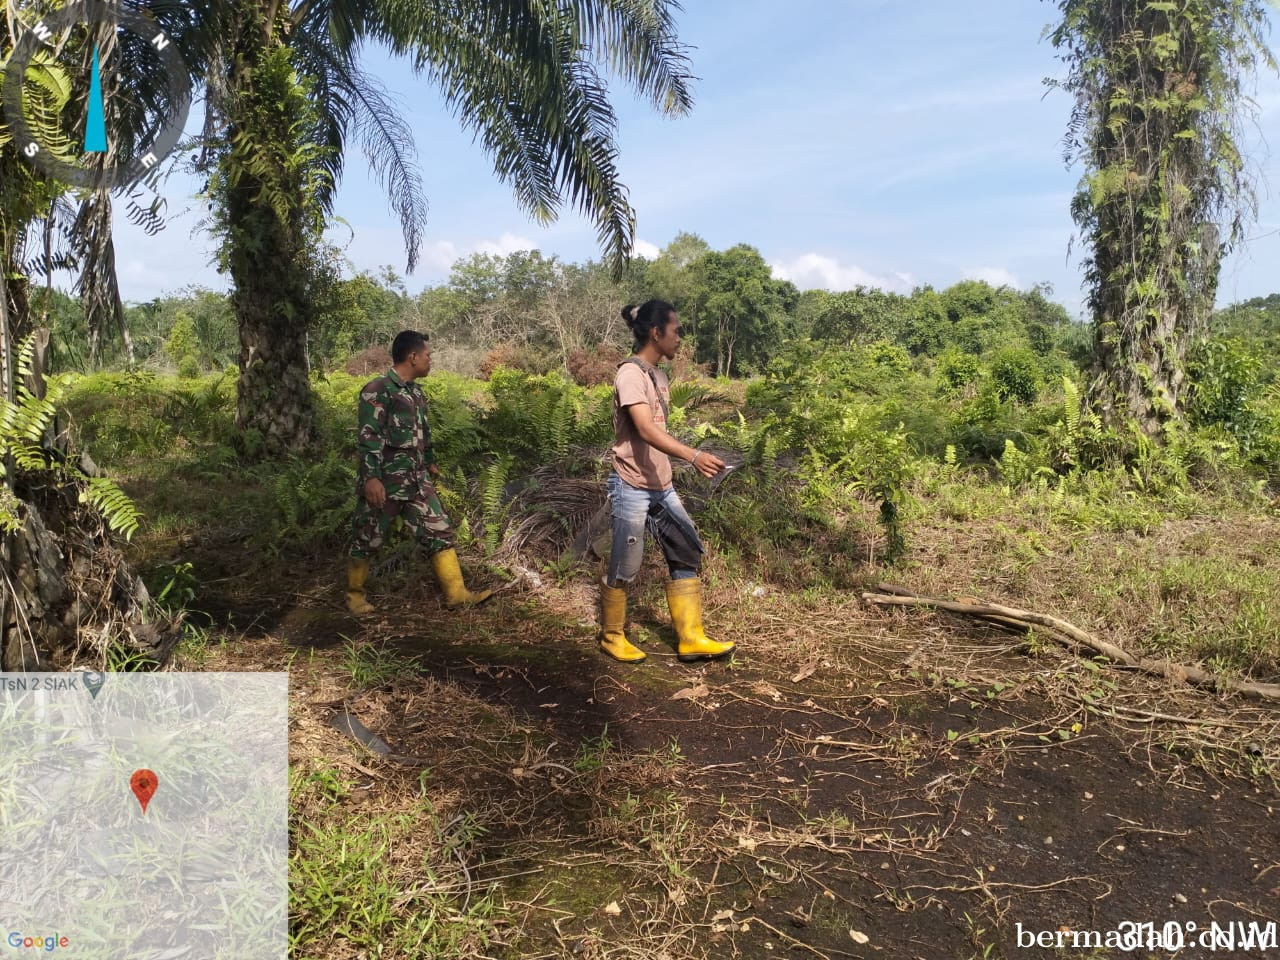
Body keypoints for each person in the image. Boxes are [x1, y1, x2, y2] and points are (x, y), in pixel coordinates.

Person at [599, 300, 736, 663]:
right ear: (656, 333)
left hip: (661, 483)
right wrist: (693, 455)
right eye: (675, 331)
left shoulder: (659, 376)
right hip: (631, 484)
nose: (680, 338)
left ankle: (691, 637)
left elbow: (658, 430)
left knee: (685, 548)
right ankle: (612, 636)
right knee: (626, 564)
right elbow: (644, 429)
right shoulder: (630, 374)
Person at [346, 330, 492, 614]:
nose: (431, 360)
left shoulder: (416, 393)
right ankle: (355, 597)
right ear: (412, 357)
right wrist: (371, 478)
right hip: (386, 482)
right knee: (367, 536)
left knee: (439, 530)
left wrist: (429, 459)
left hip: (416, 480)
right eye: (428, 355)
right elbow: (368, 438)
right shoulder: (378, 390)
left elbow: (423, 433)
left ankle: (457, 594)